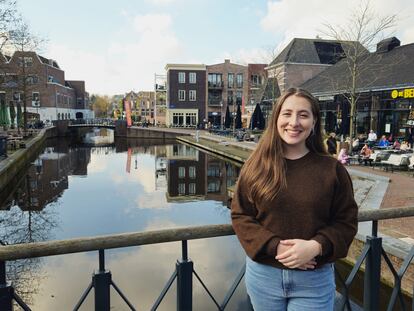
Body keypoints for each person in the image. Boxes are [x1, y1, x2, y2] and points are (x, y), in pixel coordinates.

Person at [231, 88, 358, 311]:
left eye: (303, 115)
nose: (294, 122)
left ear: (314, 121)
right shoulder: (256, 167)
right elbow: (241, 215)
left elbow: (346, 222)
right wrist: (275, 247)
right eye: (287, 113)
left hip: (313, 280)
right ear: (277, 118)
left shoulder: (332, 170)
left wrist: (316, 246)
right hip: (264, 276)